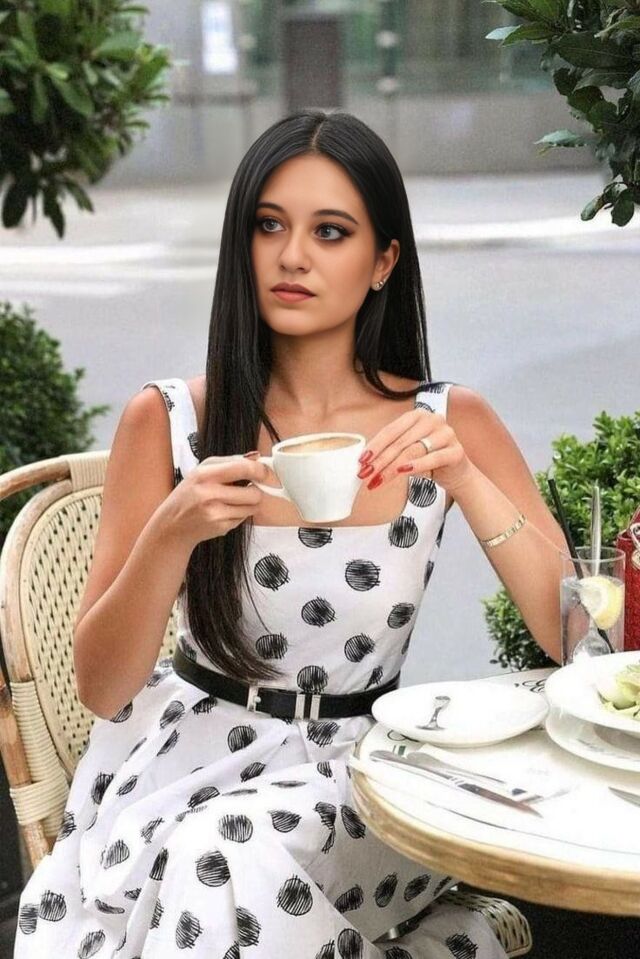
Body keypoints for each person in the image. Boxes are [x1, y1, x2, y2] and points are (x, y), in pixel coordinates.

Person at [14, 110, 566, 959]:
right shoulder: (169, 420)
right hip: (179, 770)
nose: (292, 255)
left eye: (330, 231)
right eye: (268, 225)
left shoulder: (447, 422)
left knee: (218, 859)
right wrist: (171, 532)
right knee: (208, 857)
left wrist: (465, 478)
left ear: (383, 261)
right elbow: (101, 686)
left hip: (366, 781)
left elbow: (575, 634)